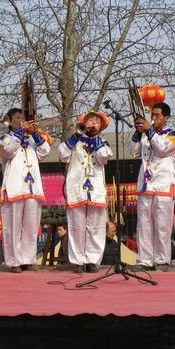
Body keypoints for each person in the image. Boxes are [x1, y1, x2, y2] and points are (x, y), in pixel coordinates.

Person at [59, 111, 112, 273]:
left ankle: (93, 260)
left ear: (101, 127)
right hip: (76, 189)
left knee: (96, 227)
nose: (93, 123)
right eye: (90, 120)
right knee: (76, 227)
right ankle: (78, 261)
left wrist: (95, 138)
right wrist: (77, 134)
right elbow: (62, 154)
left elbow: (103, 157)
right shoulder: (74, 141)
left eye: (97, 122)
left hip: (96, 190)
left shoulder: (102, 143)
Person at [129, 102, 175, 272]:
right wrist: (138, 132)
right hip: (146, 184)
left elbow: (163, 149)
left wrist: (149, 131)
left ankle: (162, 259)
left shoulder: (173, 134)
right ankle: (144, 260)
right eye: (152, 115)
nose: (154, 118)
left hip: (163, 184)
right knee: (143, 224)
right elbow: (133, 152)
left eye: (157, 115)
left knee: (162, 225)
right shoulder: (145, 135)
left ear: (166, 118)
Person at [0, 108, 51, 273]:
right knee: (12, 226)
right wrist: (21, 131)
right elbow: (8, 151)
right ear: (9, 120)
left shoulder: (32, 139)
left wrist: (35, 133)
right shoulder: (6, 138)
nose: (21, 120)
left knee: (31, 225)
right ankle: (13, 261)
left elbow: (45, 151)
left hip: (32, 187)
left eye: (23, 118)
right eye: (17, 118)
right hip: (14, 187)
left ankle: (27, 259)